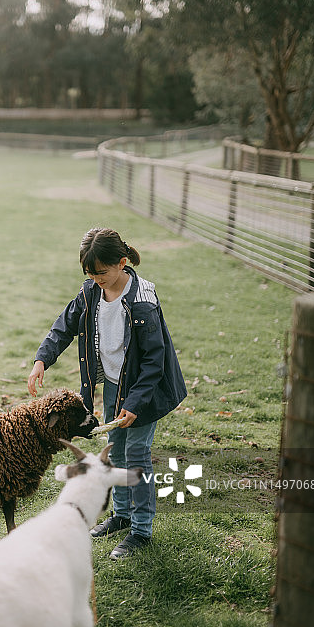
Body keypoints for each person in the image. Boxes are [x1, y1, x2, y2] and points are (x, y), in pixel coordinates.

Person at [28, 227, 187, 559]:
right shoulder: (91, 292)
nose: (96, 279)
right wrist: (42, 358)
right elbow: (64, 325)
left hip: (146, 388)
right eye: (90, 273)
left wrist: (135, 403)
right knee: (115, 451)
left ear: (122, 263)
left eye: (101, 272)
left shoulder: (142, 301)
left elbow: (153, 363)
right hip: (115, 382)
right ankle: (121, 514)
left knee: (138, 455)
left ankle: (141, 531)